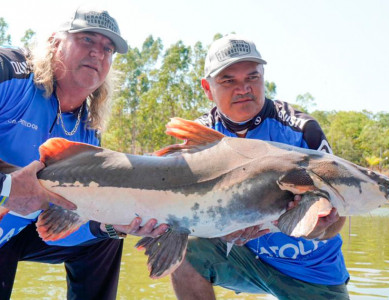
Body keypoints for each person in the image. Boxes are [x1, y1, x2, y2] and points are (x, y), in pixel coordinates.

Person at [0, 6, 168, 300]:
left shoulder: (88, 132)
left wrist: (112, 226)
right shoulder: (10, 73)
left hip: (13, 233)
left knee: (105, 240)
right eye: (87, 39)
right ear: (55, 43)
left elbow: (71, 221)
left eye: (108, 48)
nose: (98, 53)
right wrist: (5, 187)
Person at [171, 34, 350, 299]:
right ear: (208, 89)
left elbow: (340, 215)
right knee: (184, 251)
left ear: (263, 78)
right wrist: (221, 230)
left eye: (252, 77)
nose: (243, 88)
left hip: (312, 272)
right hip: (244, 260)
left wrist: (321, 228)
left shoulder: (302, 131)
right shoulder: (199, 137)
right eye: (228, 80)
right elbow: (180, 209)